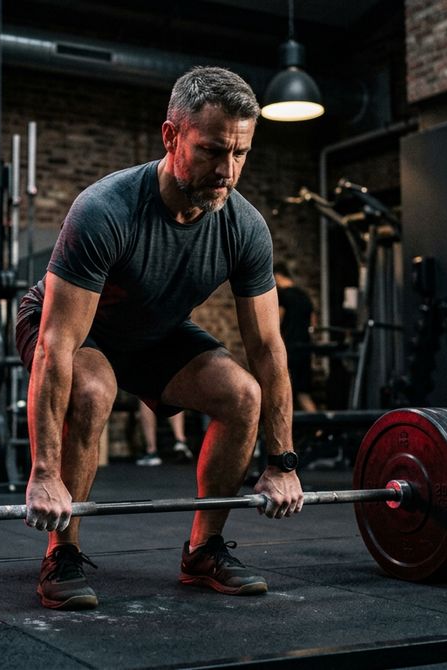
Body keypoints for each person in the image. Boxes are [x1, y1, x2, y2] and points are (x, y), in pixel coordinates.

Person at [15, 66, 304, 611]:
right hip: (69, 325)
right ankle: (62, 553)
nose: (227, 170)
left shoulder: (244, 227)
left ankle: (203, 550)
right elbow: (57, 345)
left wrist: (281, 462)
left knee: (242, 395)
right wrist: (45, 474)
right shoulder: (106, 209)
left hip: (152, 330)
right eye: (213, 151)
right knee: (93, 389)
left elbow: (268, 349)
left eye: (240, 154)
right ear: (171, 136)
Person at [273, 263, 318, 412]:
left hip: (289, 348)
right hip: (305, 347)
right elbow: (313, 322)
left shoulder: (283, 296)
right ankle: (319, 430)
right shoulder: (304, 296)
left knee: (284, 392)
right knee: (303, 392)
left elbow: (275, 323)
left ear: (277, 276)